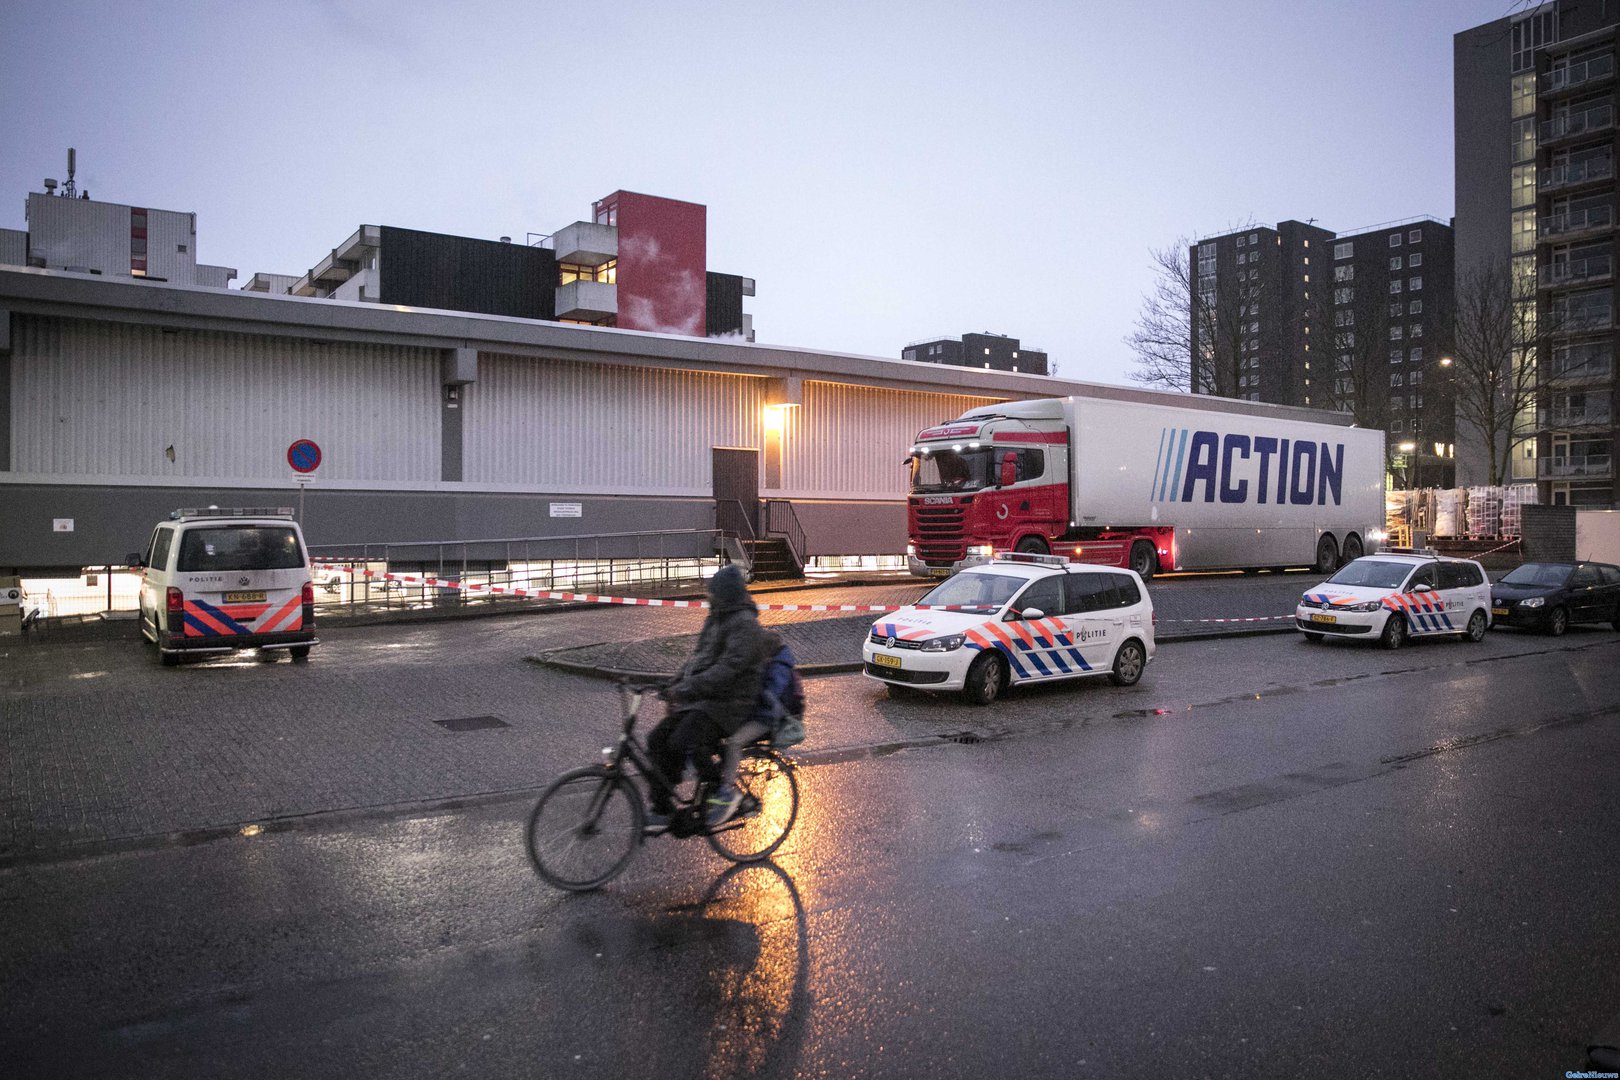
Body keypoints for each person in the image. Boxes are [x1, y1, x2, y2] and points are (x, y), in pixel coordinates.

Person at [645, 564, 771, 832]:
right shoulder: (716, 618)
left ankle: (724, 794)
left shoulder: (745, 624)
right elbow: (698, 658)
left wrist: (687, 689)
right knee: (657, 739)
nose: (708, 596)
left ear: (725, 593)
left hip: (732, 703)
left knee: (685, 740)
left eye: (712, 592)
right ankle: (662, 807)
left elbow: (728, 669)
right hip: (707, 699)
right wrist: (673, 683)